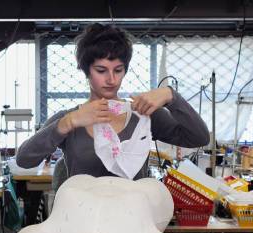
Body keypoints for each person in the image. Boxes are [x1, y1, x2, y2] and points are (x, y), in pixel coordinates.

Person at [16, 24, 209, 184]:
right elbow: (24, 160)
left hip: (130, 220)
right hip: (83, 221)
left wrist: (171, 96)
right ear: (86, 70)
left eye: (118, 70)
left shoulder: (143, 113)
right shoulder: (69, 119)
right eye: (101, 70)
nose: (111, 79)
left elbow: (199, 138)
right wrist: (68, 122)